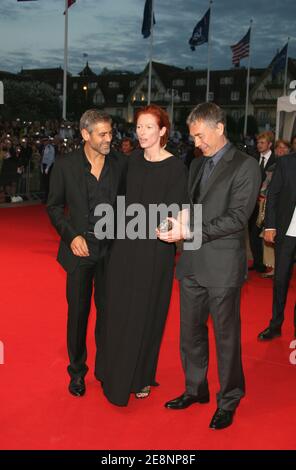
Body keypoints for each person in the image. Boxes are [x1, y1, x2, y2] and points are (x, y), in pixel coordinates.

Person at [158, 103, 261, 429]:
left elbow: (237, 218)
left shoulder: (246, 166)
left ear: (219, 128)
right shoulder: (197, 165)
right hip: (190, 263)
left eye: (200, 136)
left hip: (222, 267)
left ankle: (229, 398)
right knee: (189, 334)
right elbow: (193, 207)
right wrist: (176, 221)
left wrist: (188, 230)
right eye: (192, 137)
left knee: (226, 338)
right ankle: (195, 389)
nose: (196, 142)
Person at [95, 104, 188, 406]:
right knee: (119, 311)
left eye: (149, 127)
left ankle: (140, 377)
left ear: (163, 131)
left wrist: (153, 228)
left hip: (153, 253)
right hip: (123, 250)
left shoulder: (176, 167)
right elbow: (118, 202)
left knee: (146, 314)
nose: (142, 132)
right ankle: (114, 372)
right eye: (139, 127)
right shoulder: (131, 161)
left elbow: (174, 212)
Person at [47, 110, 127, 397]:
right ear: (85, 134)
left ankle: (104, 370)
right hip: (80, 252)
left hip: (111, 251)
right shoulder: (65, 166)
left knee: (108, 314)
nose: (109, 139)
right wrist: (71, 236)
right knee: (78, 315)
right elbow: (54, 207)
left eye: (110, 133)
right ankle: (77, 372)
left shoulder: (120, 164)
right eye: (102, 134)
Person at [258, 152, 296, 340]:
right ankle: (275, 324)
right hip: (287, 231)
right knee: (280, 280)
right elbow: (272, 195)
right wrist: (270, 226)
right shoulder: (286, 162)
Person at [248, 132, 276, 273]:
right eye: (258, 142)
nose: (259, 145)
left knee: (262, 235)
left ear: (270, 144)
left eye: (262, 143)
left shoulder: (276, 160)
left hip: (268, 204)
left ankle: (268, 264)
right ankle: (259, 263)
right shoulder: (253, 159)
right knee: (252, 235)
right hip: (253, 203)